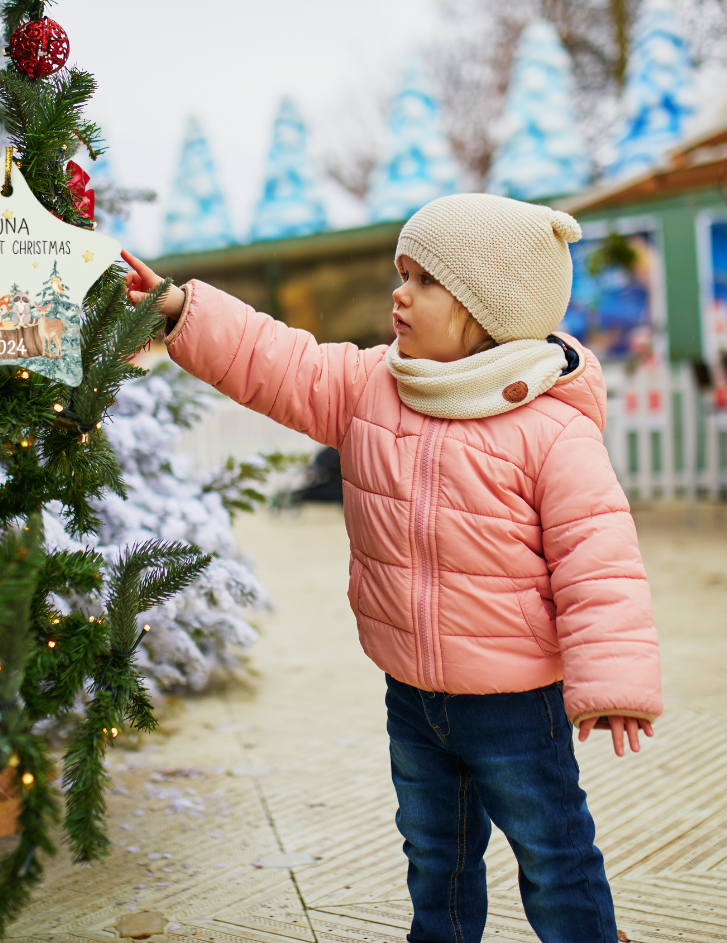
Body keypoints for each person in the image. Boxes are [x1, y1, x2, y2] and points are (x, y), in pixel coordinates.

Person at [123, 193, 661, 943]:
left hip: (516, 703)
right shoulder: (374, 384)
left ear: (484, 308)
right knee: (434, 854)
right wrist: (185, 313)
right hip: (412, 692)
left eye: (424, 280)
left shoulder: (552, 430)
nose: (399, 295)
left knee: (552, 853)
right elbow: (280, 363)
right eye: (400, 274)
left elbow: (599, 561)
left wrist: (615, 683)